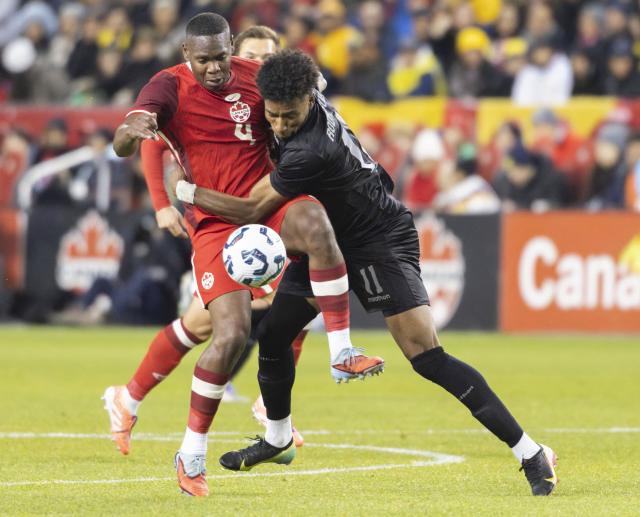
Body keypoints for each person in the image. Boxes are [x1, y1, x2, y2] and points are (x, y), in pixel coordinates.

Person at [178, 49, 558, 497]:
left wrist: (185, 189)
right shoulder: (307, 91)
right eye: (273, 116)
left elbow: (249, 208)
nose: (279, 125)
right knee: (276, 335)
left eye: (288, 116)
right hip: (328, 243)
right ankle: (278, 437)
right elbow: (307, 72)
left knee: (426, 356)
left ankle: (531, 451)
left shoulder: (309, 149)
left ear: (306, 101)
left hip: (377, 240)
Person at [108, 14, 383, 497]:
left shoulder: (255, 77)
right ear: (186, 55)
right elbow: (125, 142)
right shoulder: (167, 88)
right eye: (203, 60)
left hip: (266, 206)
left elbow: (302, 114)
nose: (214, 69)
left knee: (317, 225)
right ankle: (191, 452)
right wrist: (132, 131)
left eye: (219, 57)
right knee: (229, 334)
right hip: (214, 224)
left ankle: (342, 352)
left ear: (230, 47)